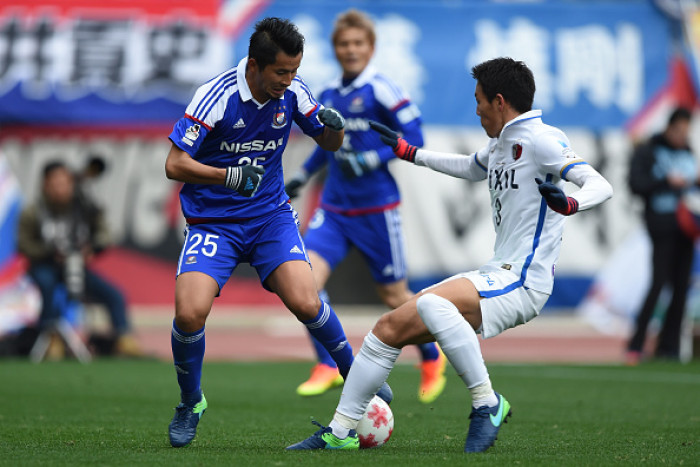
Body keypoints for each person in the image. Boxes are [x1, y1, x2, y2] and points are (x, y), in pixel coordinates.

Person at [287, 57, 613, 453]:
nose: (475, 110)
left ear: (498, 101)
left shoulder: (544, 139)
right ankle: (339, 434)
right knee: (386, 330)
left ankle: (486, 401)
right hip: (499, 272)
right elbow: (470, 167)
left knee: (433, 306)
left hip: (524, 280)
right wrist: (410, 153)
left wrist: (571, 203)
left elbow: (599, 183)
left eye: (478, 101)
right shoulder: (501, 144)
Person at [163, 17, 391, 448]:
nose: (288, 81)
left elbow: (329, 144)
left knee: (306, 299)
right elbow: (174, 164)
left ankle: (354, 372)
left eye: (293, 71)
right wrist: (227, 176)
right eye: (280, 73)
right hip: (215, 222)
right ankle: (191, 401)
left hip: (269, 216)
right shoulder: (216, 97)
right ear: (254, 66)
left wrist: (335, 126)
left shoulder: (294, 92)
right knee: (189, 314)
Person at [285, 9, 446, 403]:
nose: (350, 50)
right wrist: (302, 178)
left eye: (358, 43)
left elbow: (415, 134)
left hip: (377, 209)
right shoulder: (327, 94)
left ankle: (431, 353)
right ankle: (327, 363)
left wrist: (373, 158)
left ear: (370, 48)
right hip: (335, 210)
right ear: (335, 49)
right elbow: (325, 146)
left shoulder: (382, 89)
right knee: (305, 284)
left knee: (395, 297)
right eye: (344, 44)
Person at [17, 160, 141, 358]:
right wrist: (49, 251)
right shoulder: (33, 212)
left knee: (114, 295)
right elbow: (23, 245)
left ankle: (124, 339)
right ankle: (51, 338)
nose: (61, 188)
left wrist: (92, 248)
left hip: (75, 266)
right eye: (55, 182)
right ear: (45, 184)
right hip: (44, 265)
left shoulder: (83, 207)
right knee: (47, 286)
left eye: (65, 182)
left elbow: (105, 233)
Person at [626, 107, 697, 365]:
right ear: (668, 127)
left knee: (681, 288)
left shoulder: (687, 151)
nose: (682, 136)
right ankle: (635, 345)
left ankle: (669, 348)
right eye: (678, 130)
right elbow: (636, 184)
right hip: (662, 226)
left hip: (687, 228)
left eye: (686, 131)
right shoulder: (649, 150)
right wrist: (667, 181)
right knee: (658, 284)